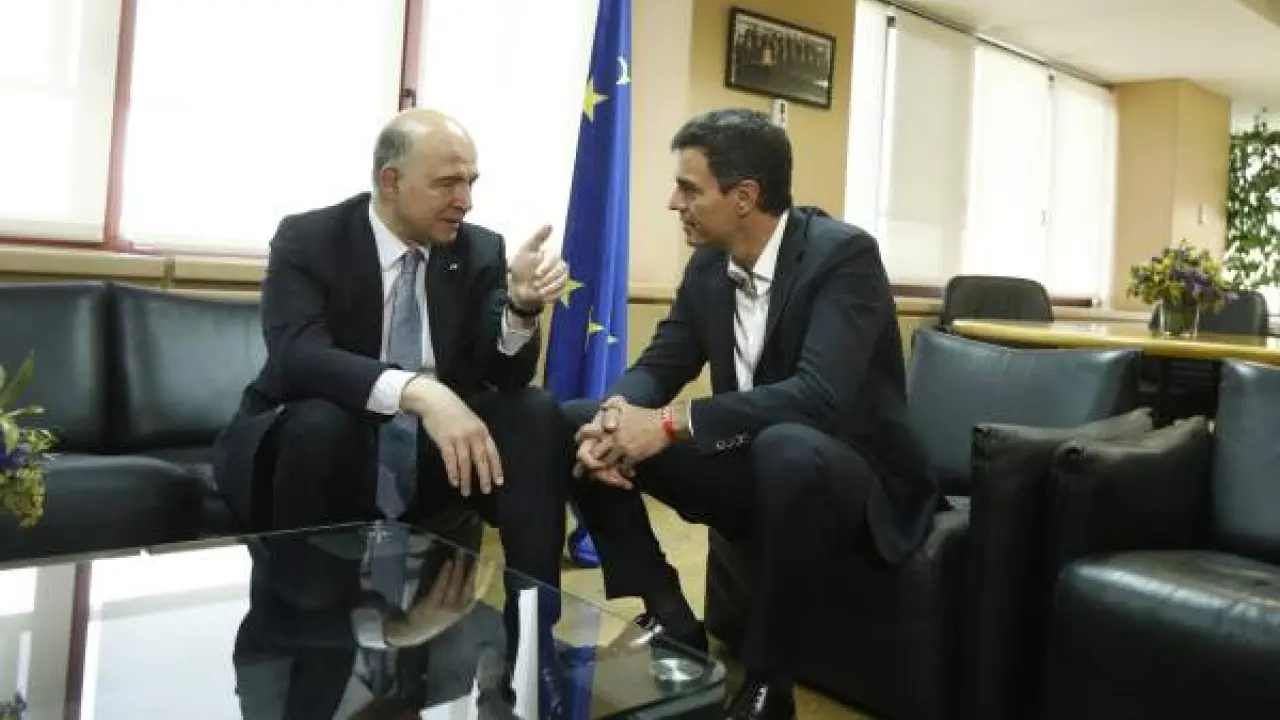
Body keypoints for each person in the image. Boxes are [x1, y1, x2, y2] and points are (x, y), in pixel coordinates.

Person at [563, 108, 939, 719]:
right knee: (573, 420)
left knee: (786, 446)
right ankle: (670, 616)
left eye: (688, 189)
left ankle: (770, 682)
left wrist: (668, 424)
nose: (673, 203)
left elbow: (819, 396)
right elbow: (662, 362)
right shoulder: (708, 265)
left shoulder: (842, 257)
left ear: (744, 196)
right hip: (750, 458)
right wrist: (616, 413)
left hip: (848, 474)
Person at [213, 107, 572, 621]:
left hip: (430, 454)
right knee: (323, 423)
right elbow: (298, 358)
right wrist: (420, 392)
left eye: (470, 183)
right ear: (391, 181)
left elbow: (506, 375)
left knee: (534, 411)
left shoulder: (479, 249)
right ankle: (308, 631)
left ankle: (534, 625)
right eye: (447, 183)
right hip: (321, 446)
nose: (465, 201)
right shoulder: (310, 239)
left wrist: (521, 309)